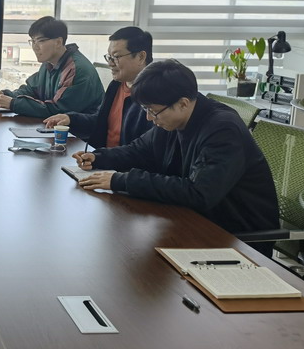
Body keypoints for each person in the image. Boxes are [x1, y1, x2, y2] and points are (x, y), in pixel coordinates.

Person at [72, 59, 278, 252]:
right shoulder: (173, 119)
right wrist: (99, 158)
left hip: (235, 237)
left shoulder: (223, 130)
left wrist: (122, 180)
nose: (149, 117)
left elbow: (199, 193)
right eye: (145, 109)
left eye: (153, 111)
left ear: (183, 103)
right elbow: (140, 150)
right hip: (192, 219)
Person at [43, 26, 154, 148]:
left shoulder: (153, 95)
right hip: (102, 155)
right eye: (109, 57)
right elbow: (100, 121)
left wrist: (102, 156)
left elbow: (142, 148)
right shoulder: (116, 85)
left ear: (141, 57)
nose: (110, 63)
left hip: (120, 159)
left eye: (116, 57)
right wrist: (70, 118)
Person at [0, 16, 103, 118]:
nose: (35, 47)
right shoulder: (49, 63)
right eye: (33, 41)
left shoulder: (76, 69)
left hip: (79, 134)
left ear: (58, 42)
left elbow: (58, 110)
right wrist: (5, 95)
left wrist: (13, 103)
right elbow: (31, 90)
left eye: (40, 41)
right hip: (56, 128)